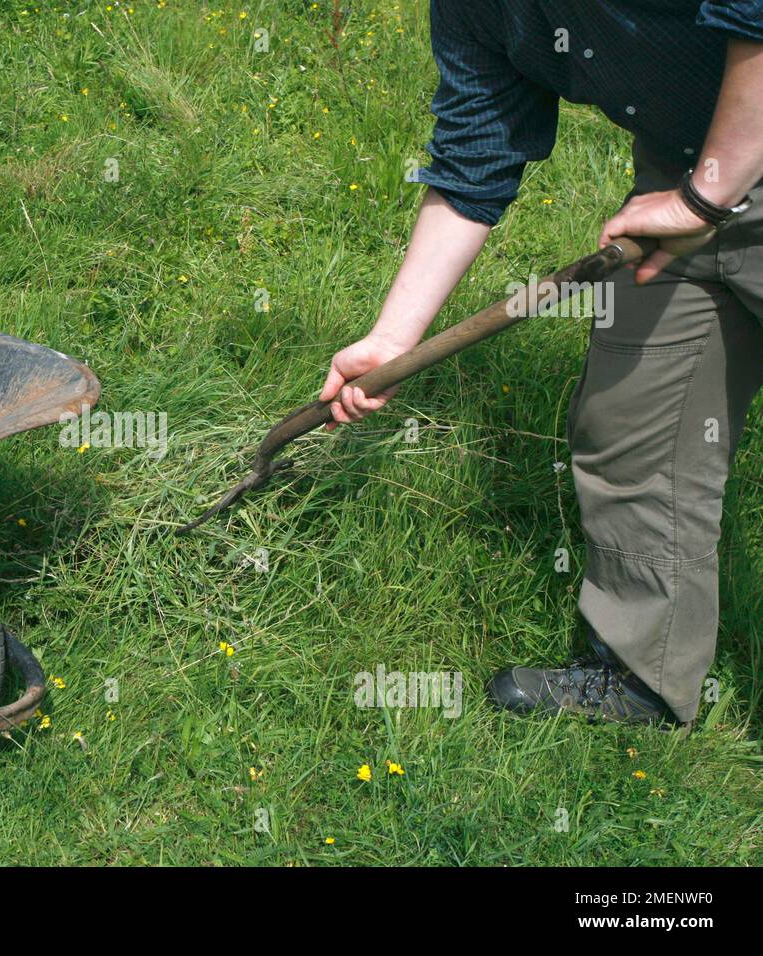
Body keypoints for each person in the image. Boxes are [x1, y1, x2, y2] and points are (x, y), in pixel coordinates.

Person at [321, 2, 763, 725]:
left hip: (705, 187)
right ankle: (644, 673)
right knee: (631, 424)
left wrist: (704, 198)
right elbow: (475, 157)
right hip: (685, 187)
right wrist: (392, 342)